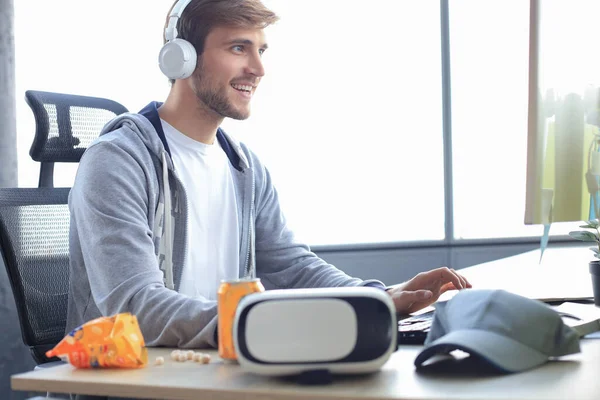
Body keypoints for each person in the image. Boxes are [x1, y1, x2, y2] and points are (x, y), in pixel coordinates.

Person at [66, 0, 472, 350]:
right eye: (239, 47)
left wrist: (377, 296)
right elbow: (137, 308)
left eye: (261, 49)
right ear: (181, 57)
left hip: (214, 371)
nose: (258, 68)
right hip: (136, 383)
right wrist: (270, 321)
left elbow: (292, 268)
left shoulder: (243, 167)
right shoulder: (118, 161)